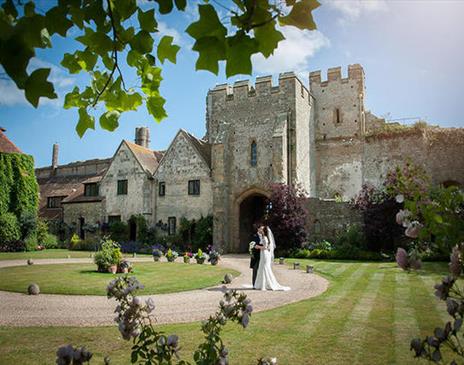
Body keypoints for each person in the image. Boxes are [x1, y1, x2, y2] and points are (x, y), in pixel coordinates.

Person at [254, 225, 290, 291]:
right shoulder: (264, 237)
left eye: (262, 229)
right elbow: (267, 247)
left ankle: (264, 285)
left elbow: (265, 247)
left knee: (264, 268)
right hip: (264, 254)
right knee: (263, 268)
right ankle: (263, 284)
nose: (261, 230)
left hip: (264, 254)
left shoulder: (265, 237)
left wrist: (257, 247)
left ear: (264, 231)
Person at [250, 222, 264, 287]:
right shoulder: (254, 236)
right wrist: (262, 247)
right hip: (256, 255)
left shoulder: (264, 236)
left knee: (262, 270)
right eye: (261, 229)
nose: (262, 230)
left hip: (263, 255)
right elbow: (254, 245)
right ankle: (254, 285)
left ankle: (261, 284)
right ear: (258, 229)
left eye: (263, 229)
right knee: (255, 270)